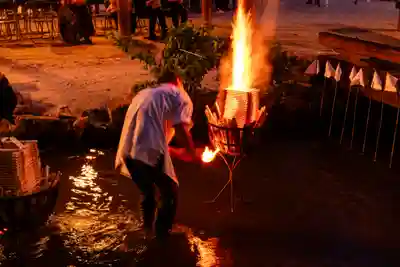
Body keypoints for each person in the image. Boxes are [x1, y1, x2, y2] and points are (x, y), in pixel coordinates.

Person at [115, 73, 201, 240]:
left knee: (148, 192)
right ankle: (162, 236)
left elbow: (148, 130)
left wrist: (176, 152)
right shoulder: (178, 94)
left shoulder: (145, 93)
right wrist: (192, 153)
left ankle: (146, 230)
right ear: (178, 81)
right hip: (148, 151)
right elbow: (181, 128)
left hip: (127, 152)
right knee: (170, 192)